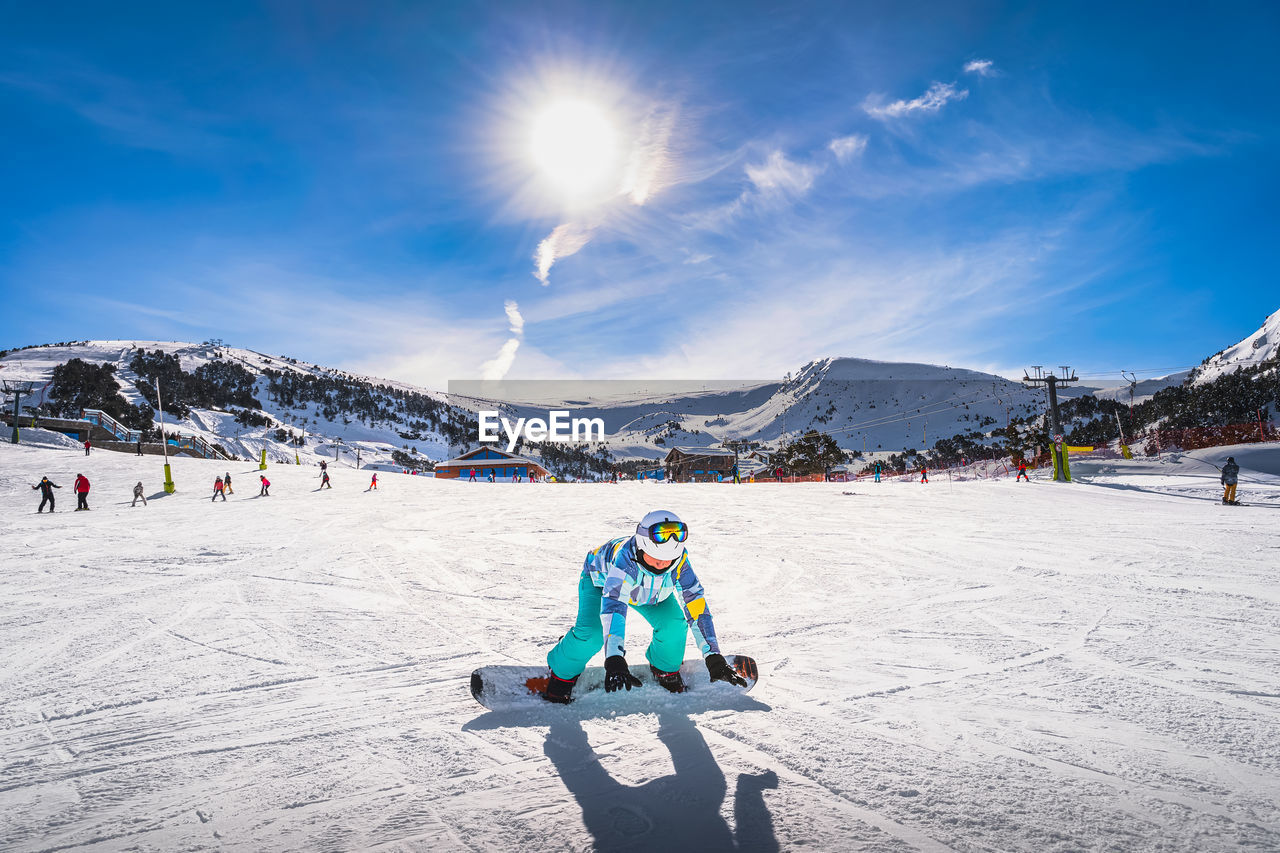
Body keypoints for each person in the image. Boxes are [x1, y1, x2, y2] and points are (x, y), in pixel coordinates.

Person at [541, 509, 748, 704]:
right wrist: (614, 657)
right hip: (600, 582)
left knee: (674, 625)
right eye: (657, 560)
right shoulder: (625, 560)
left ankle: (664, 668)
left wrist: (713, 655)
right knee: (592, 634)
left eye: (669, 561)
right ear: (641, 548)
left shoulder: (679, 561)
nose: (663, 565)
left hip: (654, 593)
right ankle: (562, 670)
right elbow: (614, 606)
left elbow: (696, 605)